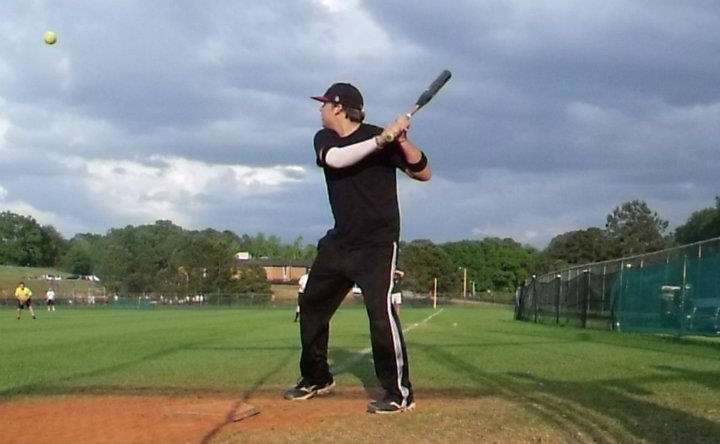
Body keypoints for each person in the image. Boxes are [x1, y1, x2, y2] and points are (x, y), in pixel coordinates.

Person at [282, 82, 431, 414]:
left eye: (323, 105)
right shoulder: (326, 140)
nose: (319, 110)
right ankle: (317, 377)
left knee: (380, 315)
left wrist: (402, 141)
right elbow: (336, 161)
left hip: (377, 243)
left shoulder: (384, 136)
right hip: (340, 241)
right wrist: (380, 141)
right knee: (312, 307)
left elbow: (424, 172)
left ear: (337, 107)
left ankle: (398, 393)